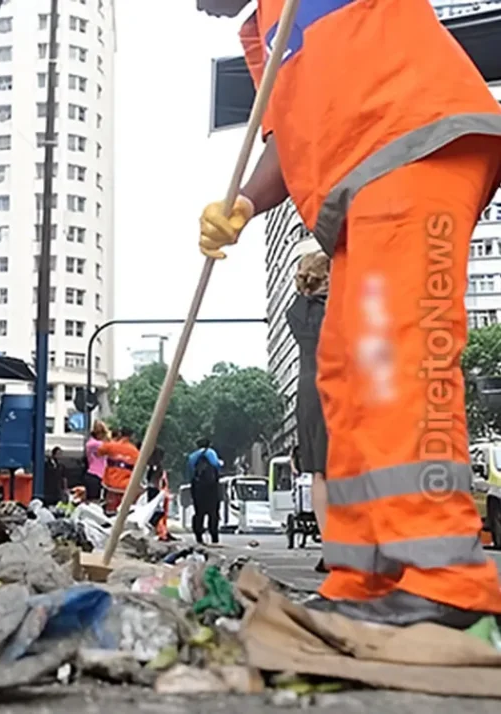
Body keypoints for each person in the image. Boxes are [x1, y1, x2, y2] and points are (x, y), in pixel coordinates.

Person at [197, 0, 501, 626]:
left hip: (417, 145)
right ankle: (366, 576)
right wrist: (245, 205)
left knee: (394, 357)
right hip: (362, 187)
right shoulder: (266, 30)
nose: (196, 7)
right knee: (345, 372)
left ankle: (446, 580)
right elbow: (287, 138)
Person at [287, 253, 331, 574]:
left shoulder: (295, 313)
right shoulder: (336, 308)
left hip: (308, 390)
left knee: (319, 472)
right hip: (338, 384)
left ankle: (330, 548)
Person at [188, 438, 223, 544]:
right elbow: (216, 464)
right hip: (211, 488)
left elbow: (190, 472)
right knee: (213, 513)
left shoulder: (192, 456)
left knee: (199, 513)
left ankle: (199, 536)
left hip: (198, 489)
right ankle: (214, 536)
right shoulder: (211, 452)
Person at [100, 427, 139, 515]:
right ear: (132, 436)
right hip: (125, 487)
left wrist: (110, 439)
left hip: (110, 484)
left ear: (120, 434)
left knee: (109, 510)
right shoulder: (135, 452)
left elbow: (99, 452)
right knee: (123, 511)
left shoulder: (111, 446)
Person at [83, 420, 109, 503]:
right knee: (94, 501)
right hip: (95, 475)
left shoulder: (92, 443)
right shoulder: (94, 444)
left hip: (99, 476)